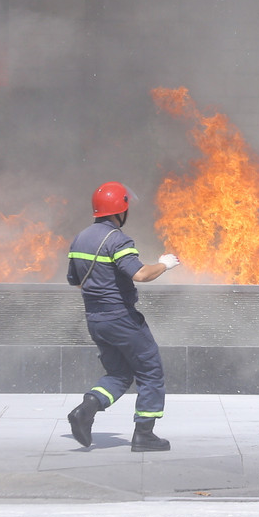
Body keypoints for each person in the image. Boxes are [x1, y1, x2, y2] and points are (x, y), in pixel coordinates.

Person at [65, 181, 181, 453]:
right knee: (151, 372)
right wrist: (165, 264)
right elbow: (140, 274)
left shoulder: (80, 238)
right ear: (121, 210)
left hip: (95, 319)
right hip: (121, 319)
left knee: (118, 373)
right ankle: (144, 435)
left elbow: (75, 280)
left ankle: (86, 409)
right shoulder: (117, 240)